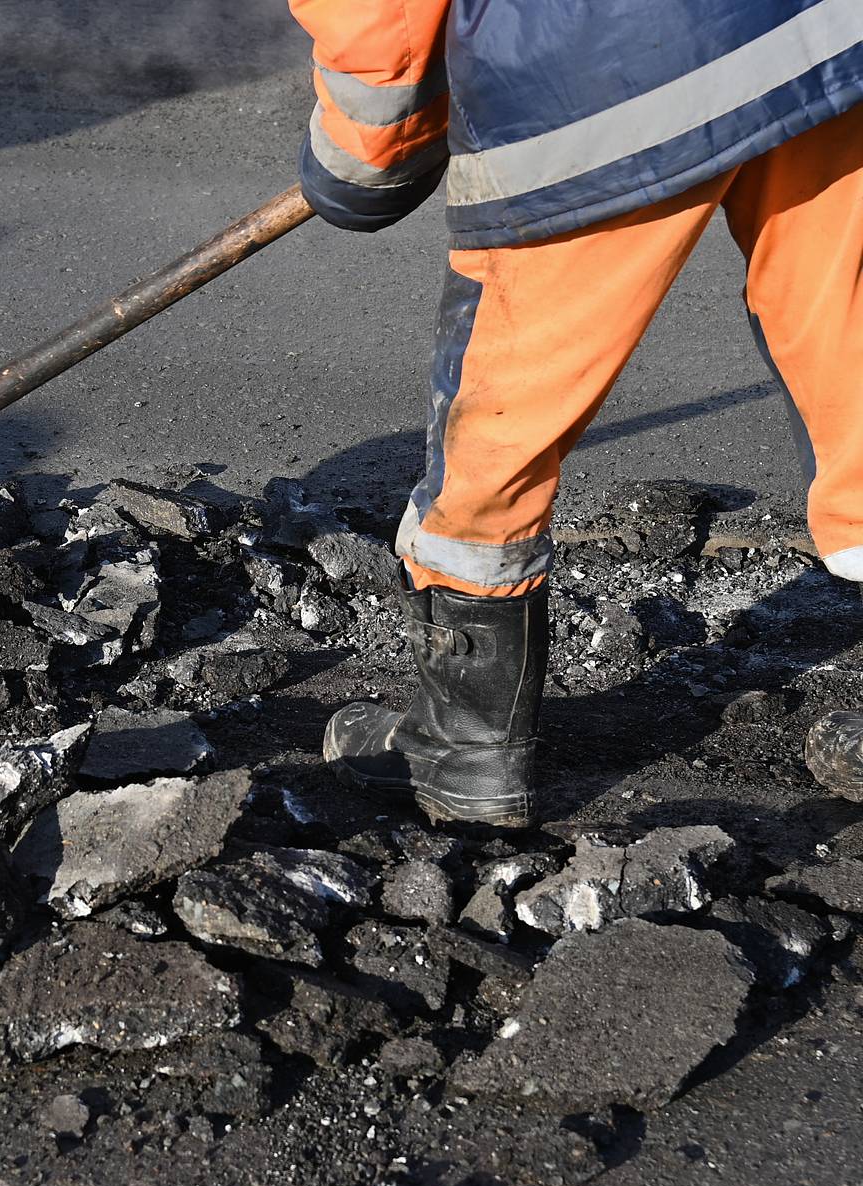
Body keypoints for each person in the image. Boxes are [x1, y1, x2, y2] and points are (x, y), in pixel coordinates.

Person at [288, 0, 863, 827]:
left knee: (505, 402)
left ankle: (465, 750)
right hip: (825, 28)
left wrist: (356, 170)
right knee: (849, 334)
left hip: (602, 66)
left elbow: (378, 34)